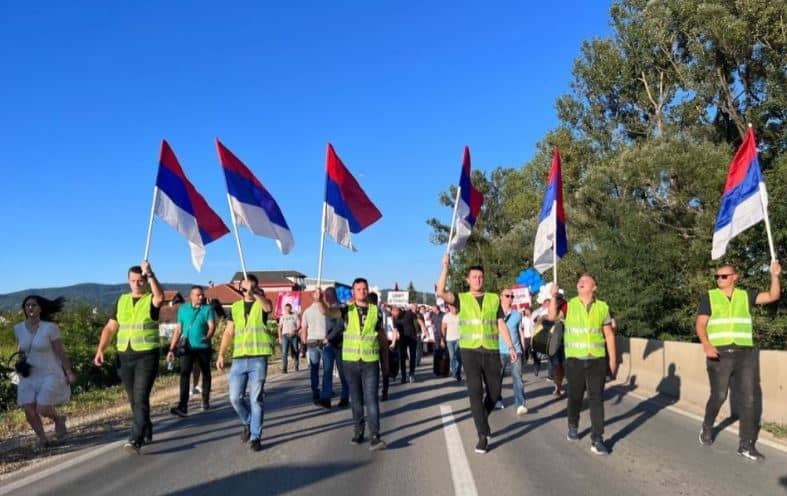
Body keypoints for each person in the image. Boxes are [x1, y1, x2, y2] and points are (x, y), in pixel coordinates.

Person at [696, 260, 781, 461]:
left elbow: (773, 296)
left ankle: (746, 445)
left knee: (749, 398)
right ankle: (707, 427)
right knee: (719, 395)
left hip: (745, 353)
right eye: (717, 276)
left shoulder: (745, 295)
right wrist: (706, 345)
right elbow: (700, 324)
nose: (719, 279)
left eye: (724, 276)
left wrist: (775, 276)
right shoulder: (709, 297)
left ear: (735, 277)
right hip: (719, 353)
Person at [436, 254, 518, 454]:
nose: (478, 280)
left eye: (480, 277)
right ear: (468, 280)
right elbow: (440, 291)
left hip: (491, 351)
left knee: (495, 392)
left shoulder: (492, 299)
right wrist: (446, 267)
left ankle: (481, 418)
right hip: (470, 351)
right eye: (474, 277)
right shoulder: (462, 298)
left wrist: (511, 346)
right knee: (475, 392)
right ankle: (482, 435)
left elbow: (500, 323)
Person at [94, 261, 164, 454]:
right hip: (124, 355)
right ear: (128, 280)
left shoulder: (150, 299)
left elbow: (160, 297)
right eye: (133, 280)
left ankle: (135, 439)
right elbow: (110, 327)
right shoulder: (121, 300)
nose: (136, 284)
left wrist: (150, 274)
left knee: (141, 397)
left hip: (146, 355)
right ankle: (145, 425)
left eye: (140, 280)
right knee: (133, 399)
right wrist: (101, 349)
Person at [549, 275, 617, 455]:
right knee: (575, 397)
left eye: (585, 281)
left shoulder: (603, 307)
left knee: (596, 399)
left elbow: (609, 335)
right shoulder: (568, 305)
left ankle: (597, 438)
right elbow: (551, 316)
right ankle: (573, 423)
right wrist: (554, 296)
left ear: (594, 287)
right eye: (579, 280)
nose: (580, 282)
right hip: (575, 360)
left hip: (597, 360)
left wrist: (613, 360)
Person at [216, 275, 274, 452]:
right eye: (243, 288)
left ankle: (256, 437)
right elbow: (228, 331)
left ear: (256, 287)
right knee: (234, 398)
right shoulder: (235, 307)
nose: (246, 291)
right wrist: (221, 354)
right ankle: (248, 422)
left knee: (256, 399)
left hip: (258, 358)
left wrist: (255, 293)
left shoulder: (262, 303)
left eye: (249, 287)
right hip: (239, 358)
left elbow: (268, 307)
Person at [14, 295, 76, 448]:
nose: (30, 308)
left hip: (49, 372)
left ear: (40, 308)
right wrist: (19, 363)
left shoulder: (50, 328)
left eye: (33, 305)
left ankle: (58, 419)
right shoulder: (18, 328)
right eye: (27, 305)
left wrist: (68, 372)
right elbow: (21, 349)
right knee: (29, 409)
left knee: (41, 407)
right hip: (28, 374)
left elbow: (60, 352)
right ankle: (43, 439)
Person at [342, 278, 389, 450]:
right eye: (358, 289)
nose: (362, 291)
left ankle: (375, 436)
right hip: (351, 361)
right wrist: (321, 303)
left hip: (370, 361)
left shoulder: (376, 311)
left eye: (364, 288)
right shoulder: (346, 309)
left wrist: (385, 362)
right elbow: (329, 312)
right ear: (353, 291)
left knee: (371, 399)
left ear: (368, 291)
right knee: (356, 399)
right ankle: (358, 431)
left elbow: (381, 335)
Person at [167, 285, 216, 416]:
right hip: (187, 347)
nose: (201, 297)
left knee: (206, 373)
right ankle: (183, 406)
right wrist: (171, 348)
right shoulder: (183, 309)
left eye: (202, 295)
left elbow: (212, 326)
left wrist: (209, 336)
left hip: (203, 347)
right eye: (198, 295)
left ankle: (205, 399)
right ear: (191, 296)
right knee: (184, 374)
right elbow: (178, 329)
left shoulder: (207, 309)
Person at [498, 289, 527, 415]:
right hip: (499, 351)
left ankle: (520, 404)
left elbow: (520, 332)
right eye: (507, 295)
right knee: (497, 378)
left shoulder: (517, 314)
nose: (510, 298)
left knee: (518, 378)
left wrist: (524, 348)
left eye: (512, 296)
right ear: (501, 297)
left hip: (516, 350)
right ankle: (497, 399)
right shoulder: (495, 314)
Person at [322, 286, 350, 408]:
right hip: (328, 345)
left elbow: (340, 326)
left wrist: (328, 338)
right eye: (324, 295)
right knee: (327, 372)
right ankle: (326, 398)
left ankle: (345, 397)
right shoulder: (326, 309)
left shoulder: (341, 308)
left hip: (340, 344)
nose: (325, 298)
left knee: (343, 373)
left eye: (327, 295)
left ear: (333, 295)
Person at [301, 288, 329, 406]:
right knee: (327, 369)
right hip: (324, 341)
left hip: (311, 341)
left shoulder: (306, 311)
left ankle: (315, 391)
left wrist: (304, 342)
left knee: (314, 368)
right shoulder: (325, 309)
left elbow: (303, 329)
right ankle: (325, 390)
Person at [394, 303, 421, 384]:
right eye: (393, 311)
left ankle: (411, 374)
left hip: (412, 338)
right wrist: (393, 343)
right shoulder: (394, 318)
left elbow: (418, 319)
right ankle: (403, 376)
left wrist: (424, 328)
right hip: (402, 339)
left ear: (400, 310)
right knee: (402, 358)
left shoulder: (408, 313)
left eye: (395, 311)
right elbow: (395, 330)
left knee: (412, 357)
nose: (394, 313)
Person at [441, 302, 462, 381]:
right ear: (449, 307)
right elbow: (443, 328)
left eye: (455, 307)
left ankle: (458, 372)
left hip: (459, 339)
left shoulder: (460, 315)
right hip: (449, 339)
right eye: (452, 307)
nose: (454, 309)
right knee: (452, 356)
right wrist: (442, 339)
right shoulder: (446, 316)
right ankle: (454, 371)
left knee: (459, 357)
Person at [278, 303, 300, 373]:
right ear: (284, 309)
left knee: (295, 350)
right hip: (285, 336)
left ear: (291, 308)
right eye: (286, 309)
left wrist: (296, 330)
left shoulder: (295, 315)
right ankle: (284, 368)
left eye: (289, 309)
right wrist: (279, 337)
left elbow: (299, 324)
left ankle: (296, 365)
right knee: (284, 352)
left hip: (294, 336)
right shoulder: (282, 317)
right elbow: (279, 327)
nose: (287, 310)